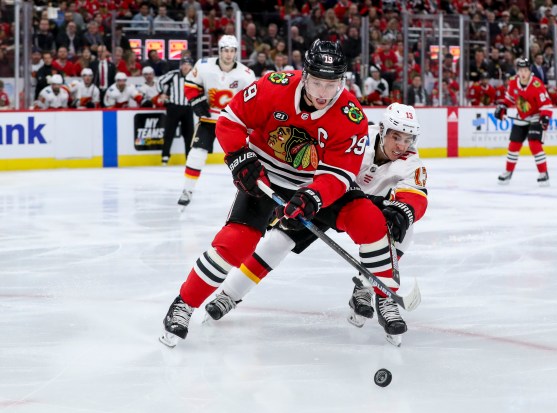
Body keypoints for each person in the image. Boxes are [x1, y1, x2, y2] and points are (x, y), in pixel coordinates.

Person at [159, 40, 397, 349]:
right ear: (304, 74)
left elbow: (339, 173)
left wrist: (313, 197)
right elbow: (230, 122)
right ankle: (184, 304)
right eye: (316, 82)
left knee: (369, 220)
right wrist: (240, 157)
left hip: (316, 182)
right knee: (235, 242)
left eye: (332, 83)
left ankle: (385, 296)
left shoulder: (351, 115)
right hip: (265, 176)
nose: (323, 92)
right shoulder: (273, 86)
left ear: (343, 80)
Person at [203, 103, 428, 346]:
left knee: (403, 229)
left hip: (365, 210)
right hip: (329, 200)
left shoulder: (410, 159)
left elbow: (416, 194)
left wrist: (405, 210)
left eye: (408, 139)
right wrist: (290, 199)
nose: (402, 146)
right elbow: (314, 169)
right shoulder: (357, 139)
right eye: (396, 137)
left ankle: (371, 288)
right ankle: (229, 294)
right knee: (280, 240)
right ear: (383, 130)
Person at [176, 35, 255, 208]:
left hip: (232, 122)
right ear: (219, 51)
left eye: (232, 51)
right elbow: (190, 84)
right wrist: (196, 100)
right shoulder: (203, 66)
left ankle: (253, 195)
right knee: (196, 155)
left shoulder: (246, 74)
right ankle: (187, 190)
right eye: (225, 50)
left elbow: (252, 99)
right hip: (208, 119)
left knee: (245, 159)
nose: (228, 54)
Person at [494, 58, 553, 186]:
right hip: (521, 116)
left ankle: (544, 173)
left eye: (525, 70)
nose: (523, 73)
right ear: (518, 71)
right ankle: (508, 172)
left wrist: (545, 117)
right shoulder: (513, 83)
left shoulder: (537, 84)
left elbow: (546, 104)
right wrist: (502, 107)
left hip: (536, 115)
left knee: (534, 144)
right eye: (521, 70)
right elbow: (509, 99)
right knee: (513, 145)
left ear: (530, 71)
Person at [157, 56, 195, 164]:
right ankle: (165, 156)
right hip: (174, 107)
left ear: (191, 66)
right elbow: (159, 81)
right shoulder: (174, 74)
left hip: (188, 107)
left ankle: (189, 158)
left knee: (189, 134)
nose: (185, 66)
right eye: (183, 64)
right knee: (169, 132)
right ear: (180, 65)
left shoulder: (195, 76)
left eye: (187, 64)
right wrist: (162, 93)